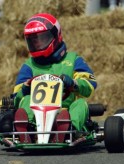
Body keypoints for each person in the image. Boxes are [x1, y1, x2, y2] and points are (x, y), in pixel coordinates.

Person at [10, 13, 97, 141]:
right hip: (36, 114)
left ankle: (68, 129)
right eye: (33, 40)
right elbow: (16, 98)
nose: (37, 43)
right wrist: (24, 90)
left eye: (41, 38)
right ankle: (27, 129)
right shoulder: (28, 66)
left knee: (80, 104)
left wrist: (74, 83)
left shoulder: (73, 60)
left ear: (56, 36)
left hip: (64, 111)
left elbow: (90, 85)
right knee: (26, 100)